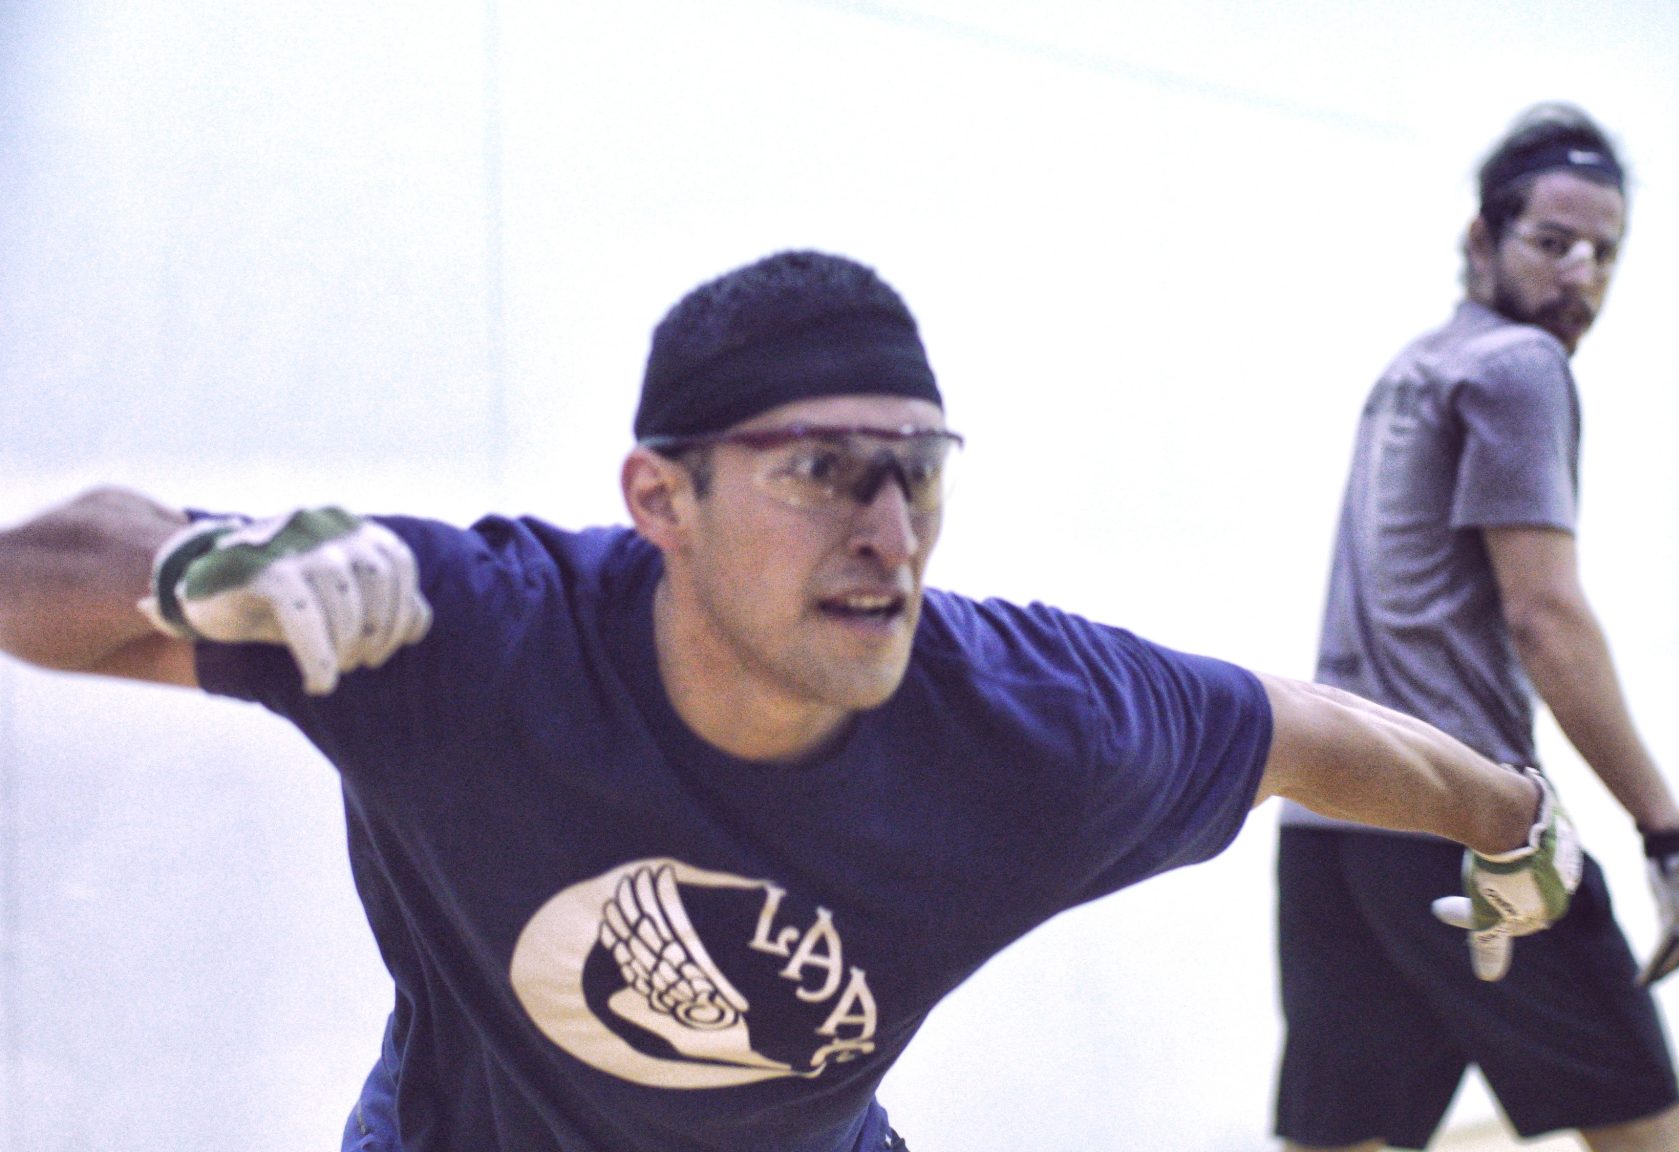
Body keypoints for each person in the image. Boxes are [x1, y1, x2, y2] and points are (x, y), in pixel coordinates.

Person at [0, 250, 1579, 1152]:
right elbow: (37, 582)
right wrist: (186, 571)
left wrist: (1516, 817)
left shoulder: (1030, 729)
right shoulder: (467, 640)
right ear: (660, 500)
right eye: (821, 470)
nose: (888, 532)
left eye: (917, 473)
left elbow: (1301, 734)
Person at [1272, 104, 1679, 1152]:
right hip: (1469, 821)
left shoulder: (1411, 369)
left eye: (1603, 253)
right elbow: (1544, 618)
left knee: (1345, 1143)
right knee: (1653, 1134)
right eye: (1552, 242)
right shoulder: (1521, 366)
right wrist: (1666, 831)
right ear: (1481, 237)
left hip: (1330, 816)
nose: (1581, 276)